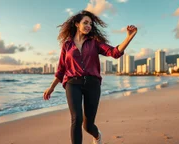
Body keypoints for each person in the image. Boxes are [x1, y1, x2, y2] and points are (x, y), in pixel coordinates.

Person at [43, 10, 137, 144]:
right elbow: (61, 69)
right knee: (76, 119)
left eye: (90, 24)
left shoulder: (95, 43)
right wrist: (51, 87)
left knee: (87, 125)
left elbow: (114, 53)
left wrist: (129, 37)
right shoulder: (67, 45)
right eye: (85, 22)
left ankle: (97, 136)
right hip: (72, 83)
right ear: (76, 24)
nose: (88, 26)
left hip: (92, 85)